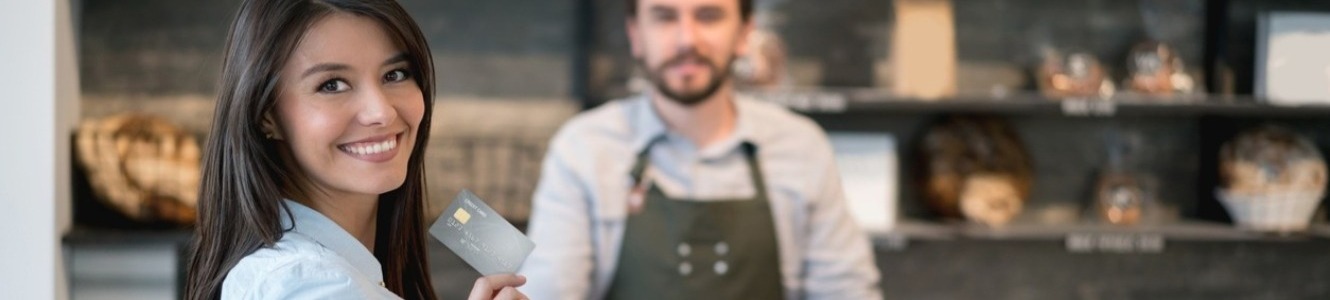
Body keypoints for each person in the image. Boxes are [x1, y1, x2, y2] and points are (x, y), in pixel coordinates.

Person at [519, 0, 883, 299]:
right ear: (636, 34)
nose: (686, 40)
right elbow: (549, 289)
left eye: (708, 16)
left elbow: (846, 291)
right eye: (664, 17)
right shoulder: (584, 147)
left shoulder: (801, 147)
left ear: (744, 34)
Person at [183, 1, 527, 299]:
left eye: (395, 74)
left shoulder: (325, 272)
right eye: (332, 84)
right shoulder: (309, 285)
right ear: (265, 116)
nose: (381, 112)